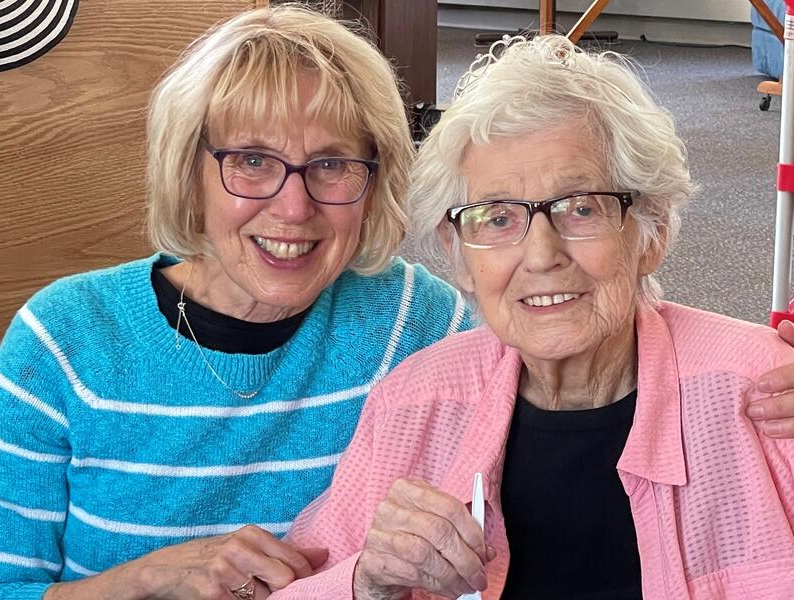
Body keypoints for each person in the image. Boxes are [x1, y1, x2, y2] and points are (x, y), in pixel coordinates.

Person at [265, 35, 794, 599]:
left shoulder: (762, 393)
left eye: (580, 207)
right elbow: (302, 585)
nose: (541, 255)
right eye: (495, 219)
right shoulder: (414, 406)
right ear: (459, 256)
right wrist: (365, 584)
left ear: (652, 234)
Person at [0, 6, 477, 600]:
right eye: (251, 160)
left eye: (330, 164)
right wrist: (147, 579)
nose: (294, 208)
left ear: (373, 182)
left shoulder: (422, 323)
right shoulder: (62, 343)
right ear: (189, 172)